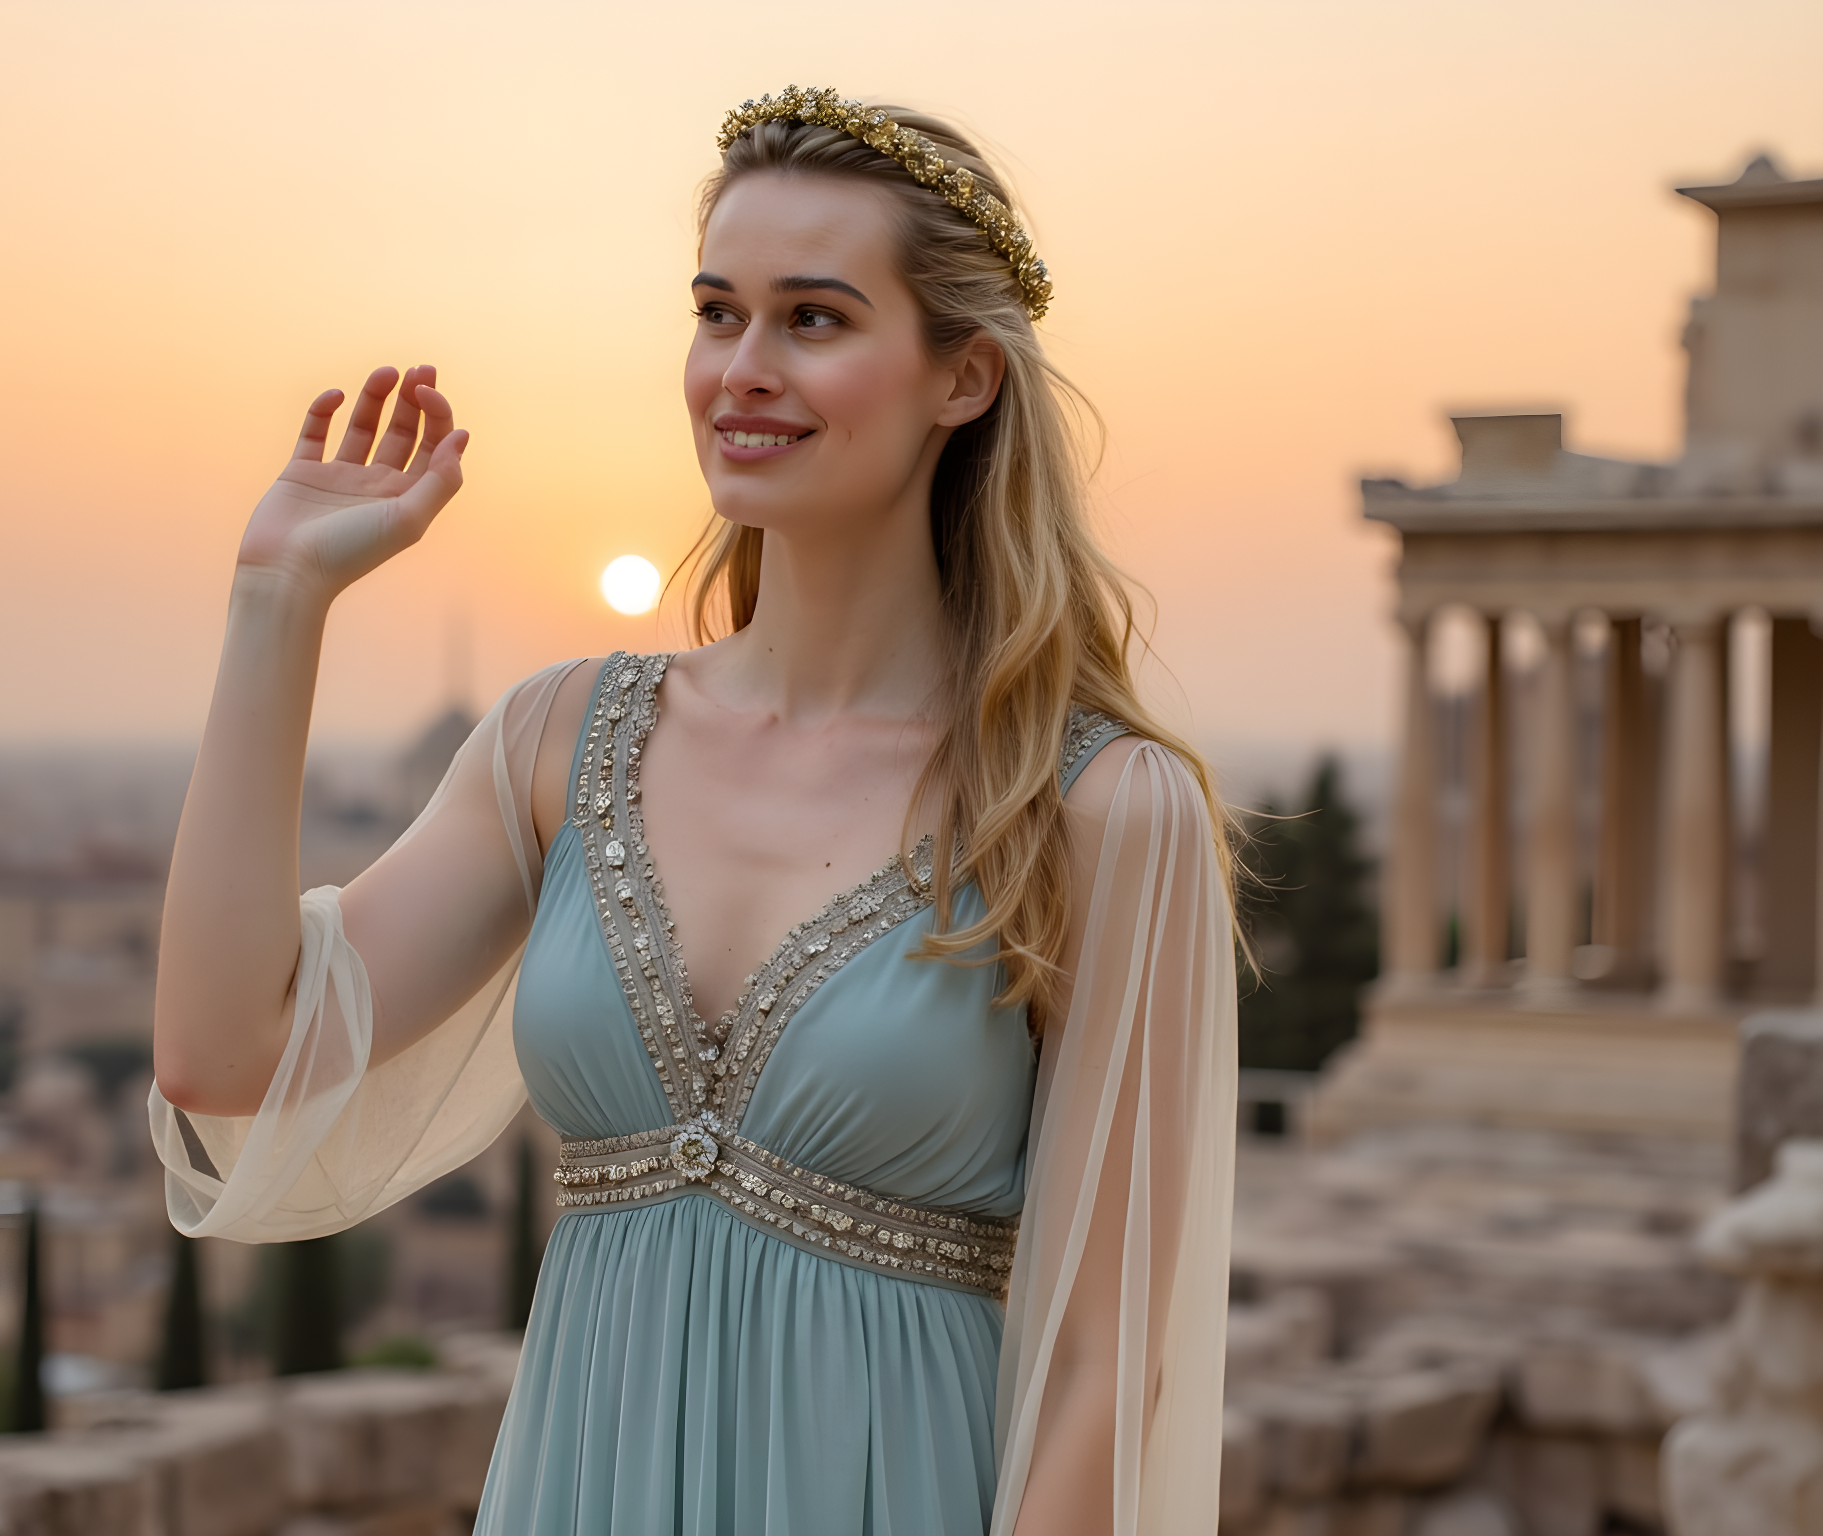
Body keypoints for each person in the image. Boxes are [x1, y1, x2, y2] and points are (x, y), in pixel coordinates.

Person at [149, 86, 1238, 1536]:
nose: (744, 370)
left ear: (963, 378)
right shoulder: (560, 742)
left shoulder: (1099, 808)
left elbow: (1108, 1365)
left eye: (815, 319)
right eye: (719, 313)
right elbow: (229, 1053)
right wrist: (277, 598)